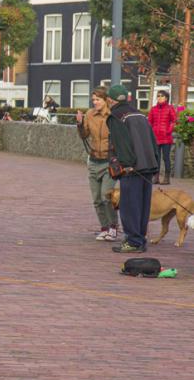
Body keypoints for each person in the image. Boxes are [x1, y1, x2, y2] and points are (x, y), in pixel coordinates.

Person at [106, 84, 159, 253]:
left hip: (132, 168)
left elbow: (121, 143)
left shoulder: (116, 116)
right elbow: (153, 140)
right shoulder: (140, 114)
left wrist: (126, 165)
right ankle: (140, 239)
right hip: (148, 165)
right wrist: (155, 164)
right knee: (143, 206)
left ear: (110, 100)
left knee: (129, 206)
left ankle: (133, 241)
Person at [76, 87, 119, 242]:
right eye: (93, 100)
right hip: (94, 161)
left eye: (98, 99)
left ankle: (113, 227)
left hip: (109, 162)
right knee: (96, 199)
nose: (95, 102)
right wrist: (80, 124)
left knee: (106, 196)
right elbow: (84, 135)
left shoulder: (113, 115)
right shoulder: (90, 114)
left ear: (106, 100)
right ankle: (104, 228)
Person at [147, 90, 177, 185]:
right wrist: (151, 132)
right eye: (158, 96)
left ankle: (167, 178)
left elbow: (174, 121)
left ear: (166, 98)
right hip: (155, 137)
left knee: (166, 157)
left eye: (162, 96)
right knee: (156, 158)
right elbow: (149, 122)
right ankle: (156, 177)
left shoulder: (170, 108)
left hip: (166, 137)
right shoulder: (153, 109)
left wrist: (168, 130)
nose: (159, 97)